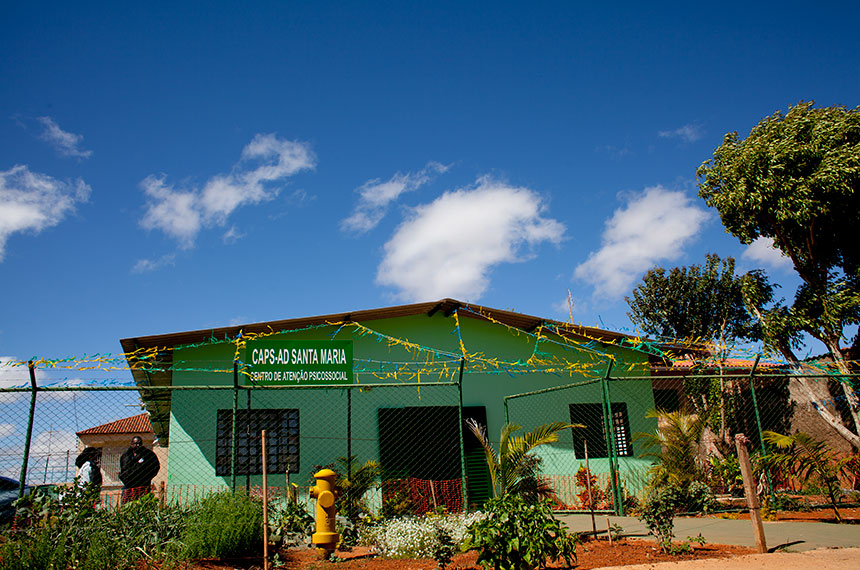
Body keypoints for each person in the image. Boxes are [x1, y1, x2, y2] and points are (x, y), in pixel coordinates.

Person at [119, 436, 160, 504]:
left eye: (139, 443)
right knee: (126, 505)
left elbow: (155, 467)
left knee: (143, 504)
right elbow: (123, 469)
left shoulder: (148, 455)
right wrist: (125, 479)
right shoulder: (125, 456)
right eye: (135, 443)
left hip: (143, 485)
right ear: (131, 444)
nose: (137, 445)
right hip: (128, 486)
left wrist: (146, 478)